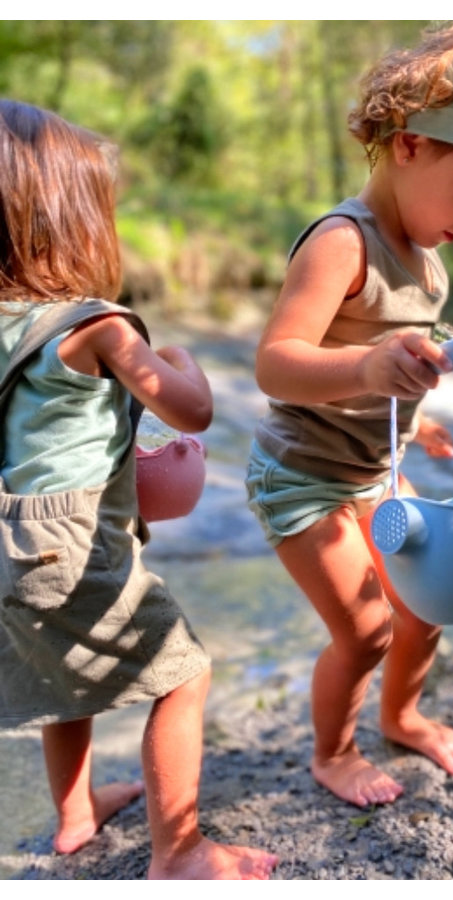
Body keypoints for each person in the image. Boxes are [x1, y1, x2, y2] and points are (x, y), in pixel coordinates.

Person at [246, 21, 453, 809]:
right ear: (412, 143)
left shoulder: (429, 271)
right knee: (365, 629)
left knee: (420, 612)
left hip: (372, 468)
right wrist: (364, 364)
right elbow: (276, 364)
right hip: (303, 475)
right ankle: (334, 752)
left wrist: (412, 420)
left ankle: (403, 714)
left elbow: (391, 375)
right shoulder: (341, 245)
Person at [0, 100, 278, 880]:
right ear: (74, 222)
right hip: (72, 543)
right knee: (183, 671)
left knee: (64, 679)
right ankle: (179, 852)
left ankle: (75, 814)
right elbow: (191, 409)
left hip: (11, 542)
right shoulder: (98, 326)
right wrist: (184, 361)